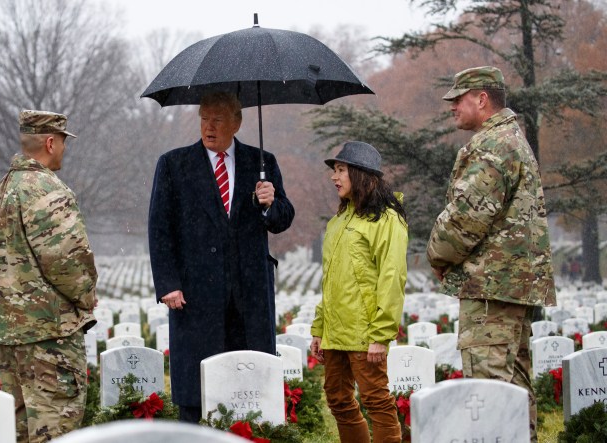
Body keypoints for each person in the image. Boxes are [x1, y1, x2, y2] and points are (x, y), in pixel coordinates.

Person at [148, 91, 295, 423]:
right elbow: (159, 228)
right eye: (203, 118)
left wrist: (271, 202)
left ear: (237, 122)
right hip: (195, 295)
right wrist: (168, 283)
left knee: (250, 386)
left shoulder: (261, 163)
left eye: (217, 119)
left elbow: (283, 219)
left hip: (249, 296)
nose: (208, 126)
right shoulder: (174, 164)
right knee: (195, 392)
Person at [427, 66, 556, 442]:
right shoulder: (512, 138)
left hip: (490, 288)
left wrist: (438, 255)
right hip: (510, 288)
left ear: (482, 99)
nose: (452, 106)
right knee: (513, 388)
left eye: (458, 98)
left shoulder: (493, 145)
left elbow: (467, 216)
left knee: (488, 390)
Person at [0, 110, 98, 443]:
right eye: (62, 142)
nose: (63, 149)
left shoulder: (3, 189)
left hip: (11, 331)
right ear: (50, 142)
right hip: (49, 331)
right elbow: (66, 260)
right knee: (56, 428)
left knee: (20, 430)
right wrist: (86, 297)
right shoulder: (47, 189)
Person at [310, 141, 407, 443]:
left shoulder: (387, 219)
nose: (334, 177)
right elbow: (331, 281)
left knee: (376, 401)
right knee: (337, 399)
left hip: (365, 332)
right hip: (335, 331)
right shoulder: (338, 221)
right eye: (334, 170)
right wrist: (319, 328)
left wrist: (381, 334)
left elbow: (392, 278)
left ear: (361, 174)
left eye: (341, 170)